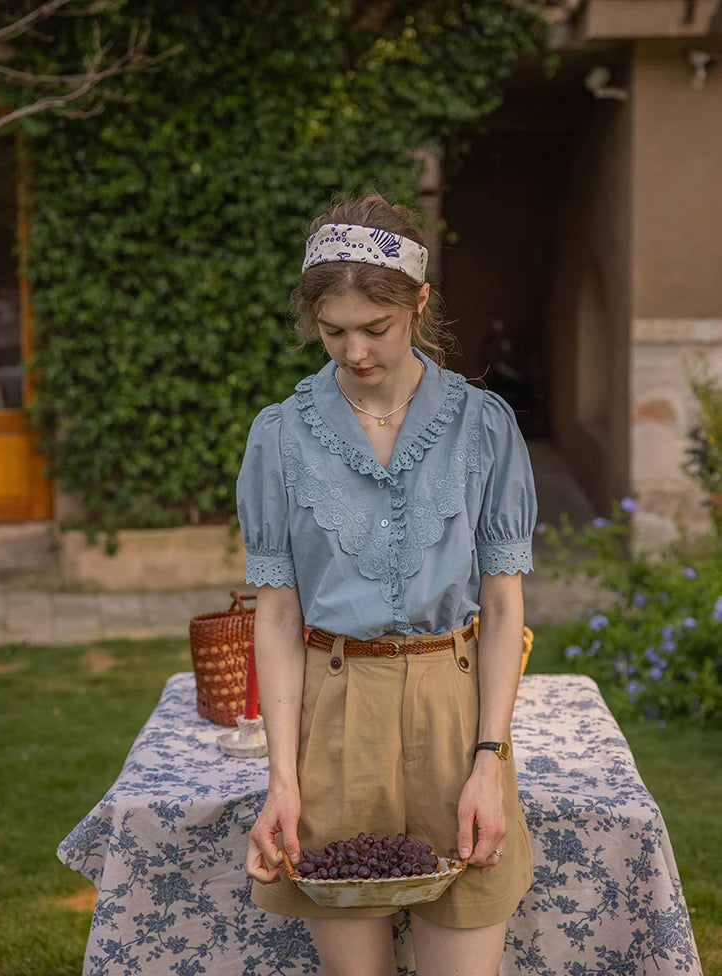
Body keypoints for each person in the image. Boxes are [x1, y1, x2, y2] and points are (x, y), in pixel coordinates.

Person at [237, 194, 537, 976]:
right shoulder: (279, 436)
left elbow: (504, 606)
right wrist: (282, 778)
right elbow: (275, 616)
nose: (355, 351)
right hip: (334, 722)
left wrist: (488, 762)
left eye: (377, 328)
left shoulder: (484, 426)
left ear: (419, 305)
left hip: (456, 712)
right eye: (334, 332)